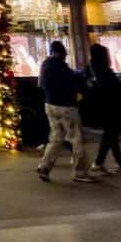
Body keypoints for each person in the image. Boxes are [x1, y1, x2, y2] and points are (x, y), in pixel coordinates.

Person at [37, 41, 96, 183]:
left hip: (49, 105)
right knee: (76, 138)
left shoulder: (45, 65)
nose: (66, 55)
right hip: (66, 107)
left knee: (56, 137)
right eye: (64, 52)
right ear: (60, 52)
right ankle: (80, 172)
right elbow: (76, 84)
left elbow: (40, 84)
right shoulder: (62, 68)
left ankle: (44, 166)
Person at [87, 42, 121, 174]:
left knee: (111, 134)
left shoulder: (92, 69)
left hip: (101, 107)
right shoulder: (104, 71)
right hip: (109, 106)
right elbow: (112, 88)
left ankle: (115, 162)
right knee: (110, 134)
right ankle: (101, 162)